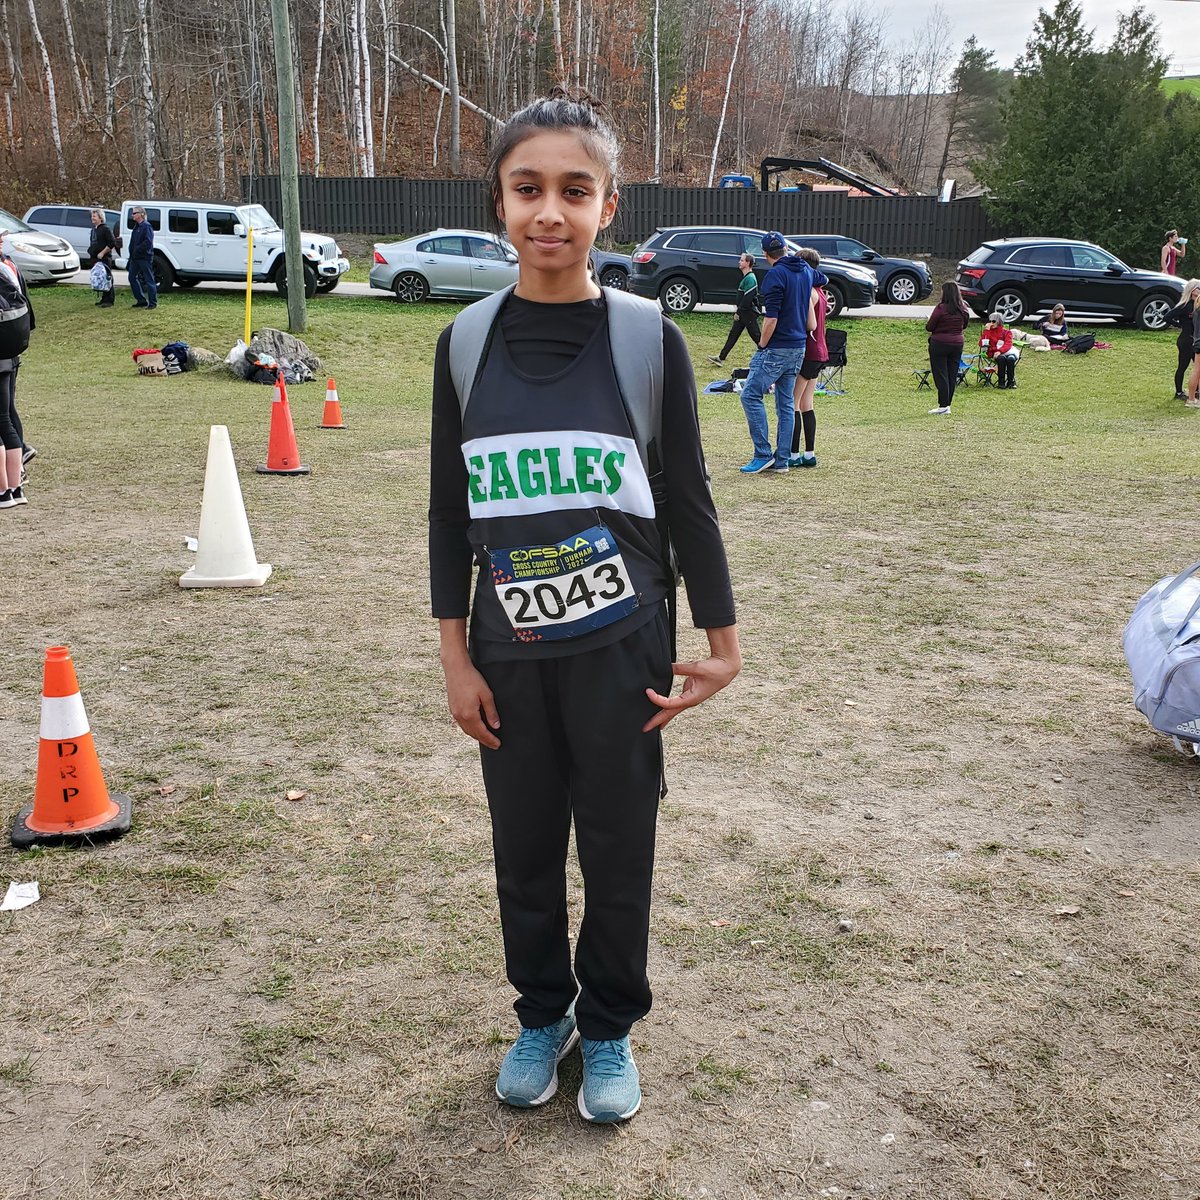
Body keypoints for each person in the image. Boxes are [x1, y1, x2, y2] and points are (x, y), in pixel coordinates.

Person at [428, 89, 740, 1125]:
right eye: (528, 189)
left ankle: (607, 1032)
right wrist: (454, 655)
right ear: (499, 203)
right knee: (522, 849)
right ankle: (542, 1014)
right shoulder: (465, 345)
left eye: (575, 189)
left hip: (623, 649)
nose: (549, 212)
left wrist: (721, 642)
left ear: (610, 207)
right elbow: (447, 509)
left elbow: (688, 499)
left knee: (615, 847)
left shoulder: (651, 341)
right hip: (506, 652)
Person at [737, 231, 822, 472]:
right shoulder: (805, 270)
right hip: (799, 347)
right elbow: (822, 278)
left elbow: (770, 320)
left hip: (777, 347)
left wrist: (762, 345)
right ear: (786, 249)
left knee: (750, 395)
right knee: (785, 402)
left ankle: (763, 454)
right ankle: (782, 460)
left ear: (765, 255)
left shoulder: (775, 276)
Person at [0, 234, 32, 508]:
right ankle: (15, 485)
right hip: (10, 353)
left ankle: (3, 491)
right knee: (6, 417)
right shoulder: (9, 265)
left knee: (2, 419)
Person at [788, 246, 825, 467]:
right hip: (820, 351)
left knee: (793, 402)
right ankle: (809, 453)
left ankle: (792, 453)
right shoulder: (820, 290)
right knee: (806, 403)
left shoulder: (808, 292)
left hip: (808, 352)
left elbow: (808, 323)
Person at [924, 280, 970, 414]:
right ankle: (947, 404)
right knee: (952, 374)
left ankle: (943, 405)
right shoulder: (963, 308)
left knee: (941, 374)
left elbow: (930, 326)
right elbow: (965, 325)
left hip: (939, 343)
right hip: (957, 343)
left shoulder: (941, 308)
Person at [709, 253, 761, 366]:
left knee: (757, 336)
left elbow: (748, 299)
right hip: (744, 313)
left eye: (742, 260)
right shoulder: (746, 278)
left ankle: (768, 357)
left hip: (748, 313)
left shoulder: (750, 278)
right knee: (733, 334)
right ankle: (721, 357)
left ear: (748, 263)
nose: (739, 262)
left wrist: (739, 312)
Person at [1167, 280, 1200, 399]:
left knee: (1197, 367)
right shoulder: (1184, 305)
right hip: (1186, 340)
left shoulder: (1197, 305)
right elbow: (1167, 317)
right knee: (1183, 366)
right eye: (1198, 288)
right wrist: (1178, 324)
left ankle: (1196, 390)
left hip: (1195, 340)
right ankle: (1179, 392)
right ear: (1192, 290)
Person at [127, 206, 158, 309]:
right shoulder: (136, 227)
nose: (133, 215)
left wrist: (137, 249)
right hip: (135, 258)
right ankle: (141, 300)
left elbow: (148, 242)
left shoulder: (146, 226)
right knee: (132, 277)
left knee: (149, 279)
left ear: (141, 214)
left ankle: (152, 303)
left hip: (144, 257)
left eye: (135, 213)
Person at [979, 311, 1020, 389]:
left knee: (1011, 359)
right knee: (1001, 358)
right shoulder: (988, 332)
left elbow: (1008, 344)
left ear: (999, 322)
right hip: (993, 353)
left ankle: (1011, 382)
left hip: (1007, 351)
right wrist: (986, 331)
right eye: (990, 321)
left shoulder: (1007, 332)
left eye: (993, 321)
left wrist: (999, 351)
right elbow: (982, 344)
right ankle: (1001, 382)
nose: (991, 323)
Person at [89, 209, 117, 308]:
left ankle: (109, 300)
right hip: (95, 259)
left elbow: (112, 243)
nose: (92, 218)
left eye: (94, 216)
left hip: (105, 258)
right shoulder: (94, 230)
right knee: (100, 278)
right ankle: (103, 299)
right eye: (92, 216)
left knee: (107, 278)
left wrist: (102, 252)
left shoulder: (105, 229)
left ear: (100, 218)